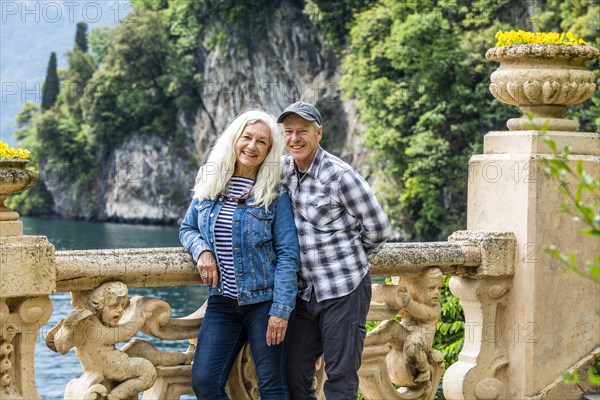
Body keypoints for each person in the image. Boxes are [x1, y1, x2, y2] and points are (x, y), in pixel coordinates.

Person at [179, 110, 300, 400]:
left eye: (262, 142)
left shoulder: (275, 194)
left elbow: (287, 255)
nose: (252, 146)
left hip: (265, 303)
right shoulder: (210, 182)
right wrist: (202, 250)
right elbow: (187, 228)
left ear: (269, 151)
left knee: (271, 386)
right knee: (205, 382)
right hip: (222, 303)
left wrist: (280, 312)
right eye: (247, 137)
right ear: (235, 139)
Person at [278, 101, 392, 399]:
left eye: (302, 131)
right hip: (304, 293)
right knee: (292, 372)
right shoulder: (283, 170)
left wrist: (351, 259)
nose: (294, 138)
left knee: (340, 377)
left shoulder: (340, 175)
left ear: (319, 133)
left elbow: (379, 228)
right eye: (288, 131)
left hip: (344, 290)